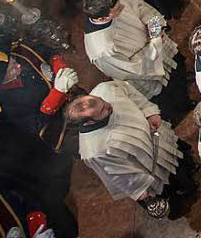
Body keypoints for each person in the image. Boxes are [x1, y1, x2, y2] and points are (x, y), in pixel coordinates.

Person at [67, 81, 187, 219]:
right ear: (89, 122)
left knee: (180, 158)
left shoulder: (104, 89)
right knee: (171, 186)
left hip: (157, 136)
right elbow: (119, 173)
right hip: (148, 166)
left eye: (102, 101)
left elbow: (129, 91)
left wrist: (149, 112)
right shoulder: (94, 150)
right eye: (103, 110)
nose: (109, 105)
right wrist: (140, 189)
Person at [82, 0, 180, 107]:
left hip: (158, 45)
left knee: (178, 68)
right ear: (102, 18)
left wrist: (154, 27)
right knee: (171, 94)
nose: (123, 7)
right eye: (118, 9)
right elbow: (131, 69)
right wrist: (154, 42)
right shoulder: (102, 50)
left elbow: (141, 8)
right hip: (147, 71)